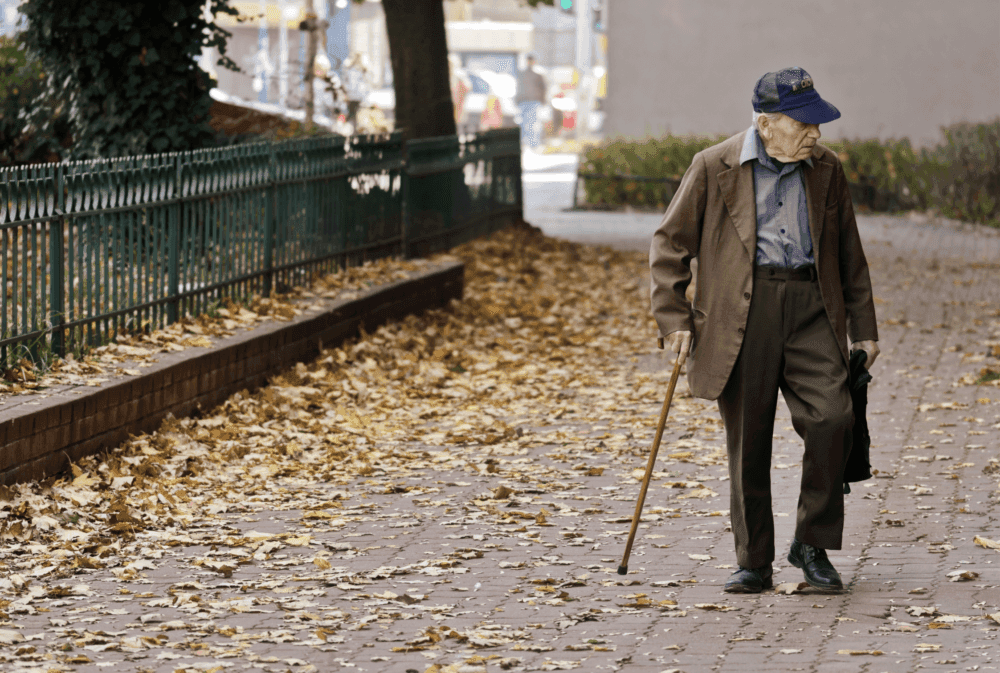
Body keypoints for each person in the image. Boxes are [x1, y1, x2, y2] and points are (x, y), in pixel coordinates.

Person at [649, 67, 880, 595]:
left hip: (811, 306)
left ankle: (812, 544)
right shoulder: (714, 166)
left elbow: (849, 252)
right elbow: (669, 245)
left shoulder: (825, 169)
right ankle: (753, 560)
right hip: (739, 312)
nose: (815, 134)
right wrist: (673, 319)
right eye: (803, 124)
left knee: (833, 417)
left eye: (817, 124)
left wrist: (863, 327)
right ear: (765, 123)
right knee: (747, 440)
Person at [516, 53, 547, 149]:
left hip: (534, 101)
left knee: (533, 123)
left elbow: (543, 88)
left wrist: (543, 100)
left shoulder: (538, 74)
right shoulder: (522, 73)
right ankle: (522, 143)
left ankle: (534, 144)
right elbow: (518, 87)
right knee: (522, 122)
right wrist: (517, 99)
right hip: (523, 101)